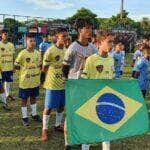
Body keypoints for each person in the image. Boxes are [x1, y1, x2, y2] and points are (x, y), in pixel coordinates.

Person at [62, 18, 98, 150]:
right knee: (71, 114)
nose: (89, 31)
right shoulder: (73, 47)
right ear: (79, 30)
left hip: (87, 86)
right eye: (86, 28)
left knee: (86, 113)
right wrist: (69, 83)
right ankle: (68, 142)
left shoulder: (93, 49)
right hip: (74, 85)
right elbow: (65, 67)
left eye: (90, 28)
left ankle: (84, 142)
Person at [81, 30, 114, 150]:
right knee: (90, 127)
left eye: (112, 42)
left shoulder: (111, 59)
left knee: (106, 127)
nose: (112, 45)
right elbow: (84, 80)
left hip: (106, 98)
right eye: (109, 42)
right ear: (99, 43)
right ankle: (85, 147)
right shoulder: (91, 60)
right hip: (93, 99)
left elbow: (112, 78)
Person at [41, 27, 68, 142]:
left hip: (64, 83)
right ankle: (44, 129)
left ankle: (57, 125)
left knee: (61, 106)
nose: (66, 38)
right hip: (52, 84)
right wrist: (43, 81)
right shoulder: (50, 50)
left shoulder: (67, 50)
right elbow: (44, 68)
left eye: (67, 36)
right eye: (63, 36)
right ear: (57, 37)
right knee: (48, 107)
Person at [14, 33, 42, 126]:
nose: (33, 43)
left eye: (34, 41)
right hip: (25, 82)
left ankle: (34, 114)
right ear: (26, 41)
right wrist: (25, 72)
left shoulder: (38, 53)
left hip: (35, 82)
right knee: (24, 100)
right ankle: (24, 117)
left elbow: (40, 65)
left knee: (33, 98)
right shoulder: (22, 53)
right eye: (31, 41)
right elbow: (16, 65)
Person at [0, 29, 15, 101]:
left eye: (7, 34)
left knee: (8, 82)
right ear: (1, 35)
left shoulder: (11, 45)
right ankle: (2, 97)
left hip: (9, 67)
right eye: (5, 34)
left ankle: (7, 95)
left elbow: (13, 56)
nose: (6, 35)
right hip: (1, 68)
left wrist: (14, 66)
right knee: (1, 83)